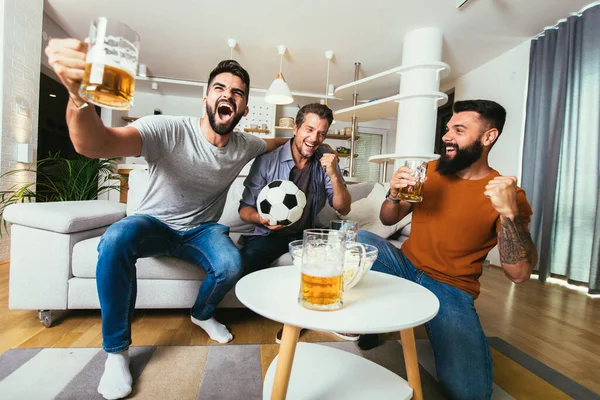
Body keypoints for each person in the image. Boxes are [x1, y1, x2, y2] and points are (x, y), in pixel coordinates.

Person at [45, 37, 287, 400]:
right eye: (219, 88)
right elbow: (95, 145)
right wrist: (79, 99)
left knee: (231, 263)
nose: (228, 95)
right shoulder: (168, 130)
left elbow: (273, 143)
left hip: (201, 231)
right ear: (205, 99)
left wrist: (307, 139)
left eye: (237, 93)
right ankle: (116, 352)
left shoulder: (244, 145)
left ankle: (202, 314)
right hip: (153, 225)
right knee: (115, 239)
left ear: (244, 109)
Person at [358, 99, 538, 400]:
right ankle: (377, 319)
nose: (446, 136)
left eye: (459, 129)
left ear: (488, 137)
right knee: (358, 238)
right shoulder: (429, 171)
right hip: (404, 267)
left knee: (471, 394)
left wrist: (509, 214)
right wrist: (392, 194)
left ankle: (421, 316)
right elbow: (388, 218)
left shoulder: (508, 193)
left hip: (450, 287)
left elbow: (519, 274)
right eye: (446, 129)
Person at [238, 103, 352, 342]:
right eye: (309, 130)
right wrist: (261, 219)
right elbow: (244, 210)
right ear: (295, 128)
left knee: (338, 261)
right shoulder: (266, 162)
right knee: (242, 268)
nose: (314, 138)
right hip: (268, 235)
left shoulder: (325, 161)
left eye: (321, 132)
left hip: (308, 235)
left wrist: (333, 173)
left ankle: (297, 321)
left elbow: (343, 207)